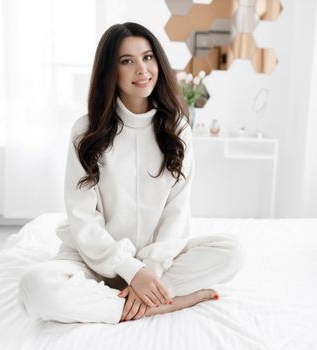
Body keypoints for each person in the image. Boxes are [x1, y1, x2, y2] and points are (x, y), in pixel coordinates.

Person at [18, 22, 245, 324]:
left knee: (233, 252)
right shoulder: (86, 132)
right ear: (110, 72)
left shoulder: (177, 130)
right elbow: (82, 218)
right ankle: (158, 303)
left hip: (156, 266)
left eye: (148, 57)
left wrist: (148, 270)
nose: (142, 69)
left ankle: (141, 297)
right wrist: (129, 269)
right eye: (127, 61)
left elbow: (176, 213)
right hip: (92, 260)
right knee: (35, 286)